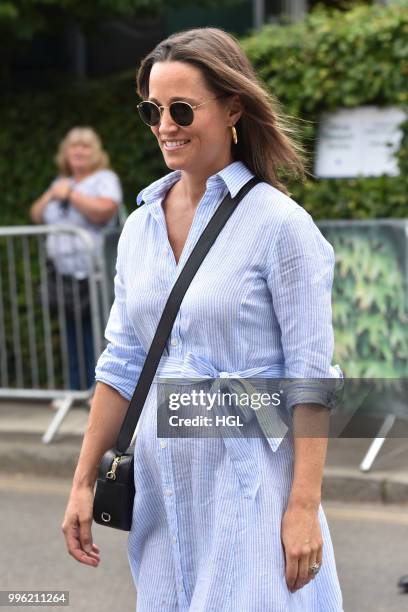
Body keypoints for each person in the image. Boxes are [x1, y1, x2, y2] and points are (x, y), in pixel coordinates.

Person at [61, 28, 344, 611]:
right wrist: (83, 480)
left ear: (233, 107)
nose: (165, 125)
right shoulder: (139, 228)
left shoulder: (280, 227)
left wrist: (302, 507)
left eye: (182, 108)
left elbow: (311, 381)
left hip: (251, 483)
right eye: (152, 110)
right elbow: (122, 363)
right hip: (165, 490)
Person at [29, 127, 123, 390]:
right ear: (65, 153)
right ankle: (75, 389)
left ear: (96, 153)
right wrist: (54, 193)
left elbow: (104, 210)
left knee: (99, 333)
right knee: (71, 335)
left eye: (85, 146)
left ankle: (101, 391)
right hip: (64, 274)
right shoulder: (61, 182)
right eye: (74, 146)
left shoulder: (104, 178)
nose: (79, 151)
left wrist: (71, 195)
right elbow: (37, 214)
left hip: (95, 272)